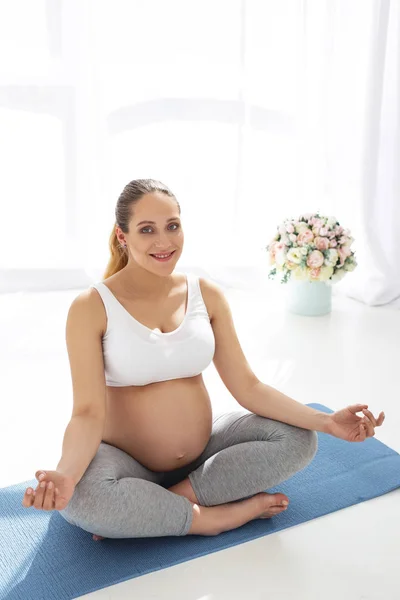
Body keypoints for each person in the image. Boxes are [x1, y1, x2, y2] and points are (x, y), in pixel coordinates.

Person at [21, 178, 385, 540]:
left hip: (203, 455)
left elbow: (248, 386)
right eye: (147, 230)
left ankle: (159, 509)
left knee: (300, 439)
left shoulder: (204, 294)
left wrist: (327, 422)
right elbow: (87, 413)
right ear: (123, 236)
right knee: (80, 500)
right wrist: (67, 476)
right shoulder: (91, 306)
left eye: (172, 226)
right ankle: (217, 518)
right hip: (125, 462)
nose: (164, 242)